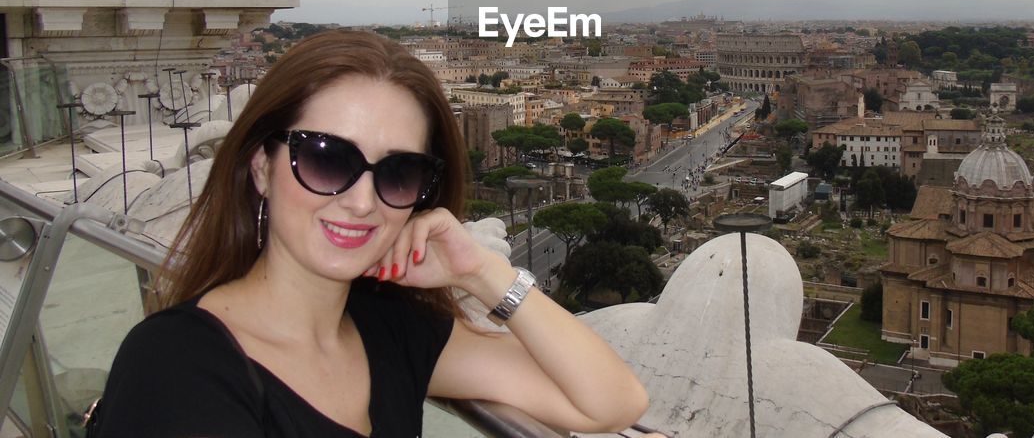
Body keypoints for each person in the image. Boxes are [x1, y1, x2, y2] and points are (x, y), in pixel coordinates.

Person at [91, 30, 649, 437]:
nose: (361, 202)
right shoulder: (176, 365)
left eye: (398, 172)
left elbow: (612, 400)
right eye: (327, 159)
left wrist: (483, 271)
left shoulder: (387, 328)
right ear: (261, 167)